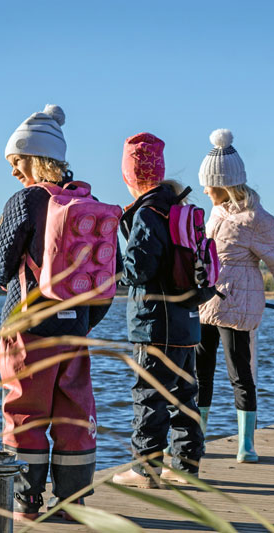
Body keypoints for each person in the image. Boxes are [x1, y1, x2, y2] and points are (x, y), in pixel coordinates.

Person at [0, 104, 115, 520]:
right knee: (74, 416)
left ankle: (25, 502)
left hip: (27, 330)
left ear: (35, 158)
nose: (13, 171)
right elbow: (105, 277)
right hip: (74, 329)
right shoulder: (88, 202)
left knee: (25, 412)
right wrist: (82, 321)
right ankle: (72, 503)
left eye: (16, 161)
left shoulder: (25, 200)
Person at [195, 129, 274, 463]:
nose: (204, 190)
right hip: (205, 302)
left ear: (222, 185)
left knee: (240, 372)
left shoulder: (257, 219)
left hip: (238, 305)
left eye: (208, 186)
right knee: (201, 372)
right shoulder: (213, 213)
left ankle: (246, 444)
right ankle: (195, 438)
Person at [111, 132, 205, 487]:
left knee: (149, 396)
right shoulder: (177, 208)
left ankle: (145, 471)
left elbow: (138, 269)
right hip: (186, 322)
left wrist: (110, 263)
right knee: (184, 396)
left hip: (154, 324)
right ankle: (185, 466)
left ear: (129, 177)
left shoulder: (148, 213)